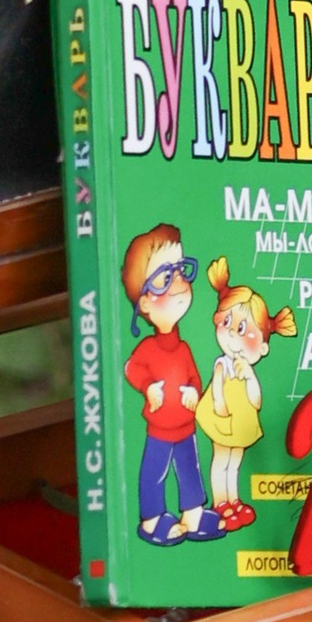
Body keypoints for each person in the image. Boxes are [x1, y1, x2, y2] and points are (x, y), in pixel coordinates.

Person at [193, 261, 298, 531]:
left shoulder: (247, 369)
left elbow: (256, 400)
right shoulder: (222, 364)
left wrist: (250, 377)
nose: (231, 333)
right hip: (222, 417)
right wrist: (219, 406)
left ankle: (234, 500)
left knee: (235, 461)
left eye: (242, 329)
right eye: (227, 322)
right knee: (221, 460)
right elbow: (217, 390)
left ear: (262, 347)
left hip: (241, 420)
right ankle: (220, 503)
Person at [121, 226, 209, 548]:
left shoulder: (183, 349)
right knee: (154, 472)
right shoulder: (148, 348)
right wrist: (148, 387)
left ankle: (193, 515)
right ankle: (152, 520)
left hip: (185, 426)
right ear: (145, 303)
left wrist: (194, 392)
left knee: (189, 469)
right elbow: (131, 368)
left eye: (181, 270)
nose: (179, 283)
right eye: (164, 277)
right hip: (159, 428)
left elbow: (194, 377)